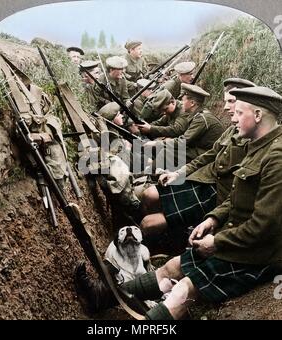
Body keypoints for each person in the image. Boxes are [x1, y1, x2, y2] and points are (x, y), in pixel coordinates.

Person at [75, 85, 282, 320]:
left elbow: (264, 226)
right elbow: (237, 198)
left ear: (257, 115)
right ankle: (101, 296)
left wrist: (217, 241)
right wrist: (213, 219)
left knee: (182, 291)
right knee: (173, 266)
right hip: (237, 235)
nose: (231, 116)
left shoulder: (276, 157)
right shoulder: (257, 145)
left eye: (239, 112)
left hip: (255, 254)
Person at [140, 78, 255, 242]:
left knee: (148, 223)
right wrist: (179, 173)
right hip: (203, 178)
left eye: (232, 101)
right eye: (226, 101)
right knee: (149, 194)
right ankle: (169, 235)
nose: (226, 107)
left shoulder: (254, 140)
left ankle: (166, 240)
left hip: (215, 193)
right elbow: (209, 155)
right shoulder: (231, 129)